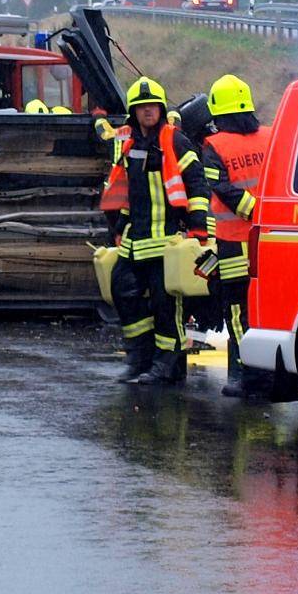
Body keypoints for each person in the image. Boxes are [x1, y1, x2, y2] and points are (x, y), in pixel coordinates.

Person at [102, 76, 209, 386]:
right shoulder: (130, 144)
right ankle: (139, 357)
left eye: (152, 106)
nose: (147, 111)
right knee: (121, 290)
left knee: (166, 304)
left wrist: (200, 227)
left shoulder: (175, 141)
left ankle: (165, 364)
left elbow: (197, 184)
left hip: (167, 240)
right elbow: (129, 192)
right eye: (141, 107)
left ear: (161, 109)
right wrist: (121, 226)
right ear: (133, 112)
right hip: (135, 240)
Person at [199, 75, 276, 400]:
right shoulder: (272, 135)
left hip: (234, 242)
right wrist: (266, 213)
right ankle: (275, 374)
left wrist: (250, 210)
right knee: (269, 307)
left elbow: (219, 187)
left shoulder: (214, 146)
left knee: (238, 310)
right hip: (273, 239)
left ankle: (247, 375)